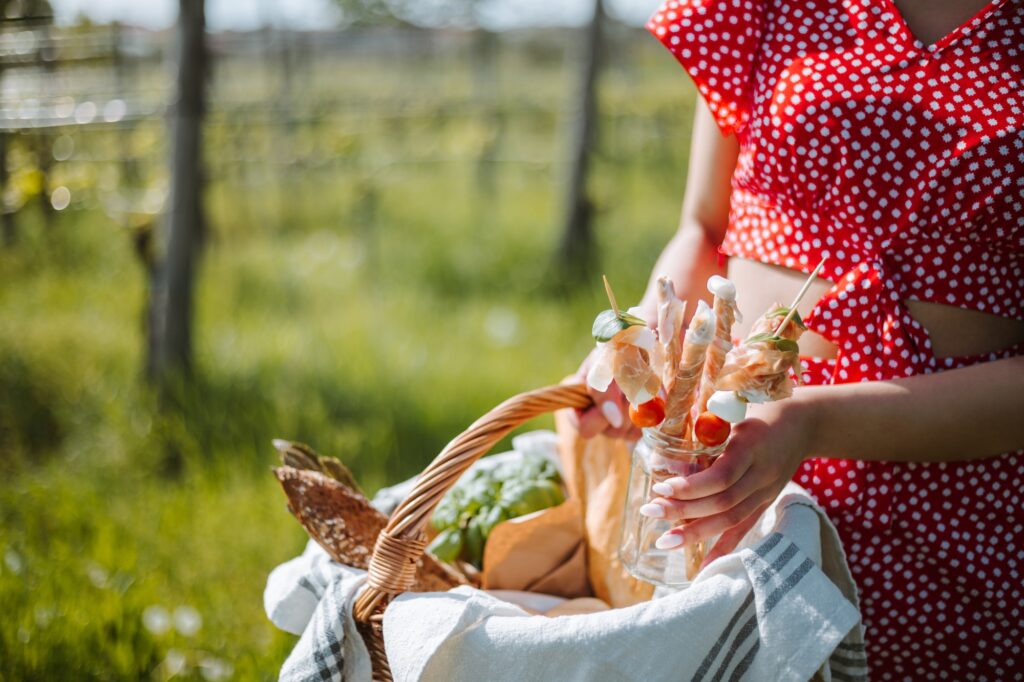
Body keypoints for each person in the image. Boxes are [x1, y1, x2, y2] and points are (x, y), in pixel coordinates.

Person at [571, 0, 1024, 678]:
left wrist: (810, 421)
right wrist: (642, 341)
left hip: (962, 512)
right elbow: (703, 226)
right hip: (737, 487)